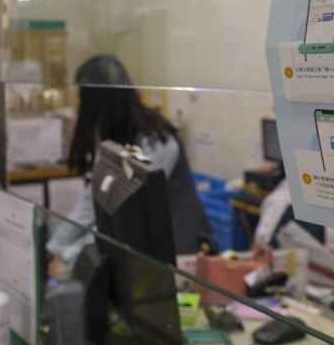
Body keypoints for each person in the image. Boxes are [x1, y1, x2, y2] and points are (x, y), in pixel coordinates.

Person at [46, 55, 211, 276]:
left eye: (83, 96)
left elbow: (124, 216)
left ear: (101, 99)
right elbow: (93, 199)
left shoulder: (157, 141)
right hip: (142, 252)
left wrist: (69, 255)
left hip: (177, 256)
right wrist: (53, 247)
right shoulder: (116, 137)